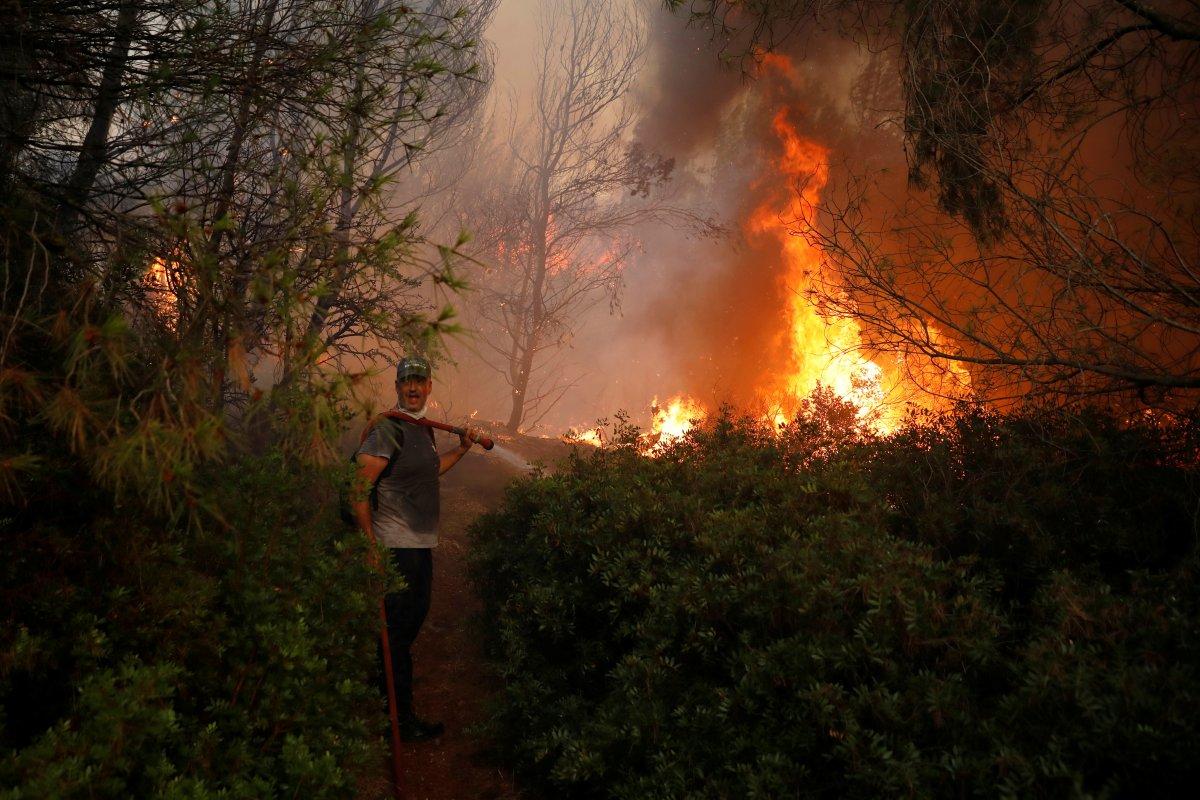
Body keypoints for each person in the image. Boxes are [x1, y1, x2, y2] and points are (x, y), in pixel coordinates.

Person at [351, 355, 477, 742]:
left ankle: (385, 703)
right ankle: (398, 721)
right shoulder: (387, 430)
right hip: (395, 546)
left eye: (419, 381)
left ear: (429, 387)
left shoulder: (421, 430)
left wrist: (462, 451)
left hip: (420, 546)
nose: (413, 387)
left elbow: (428, 471)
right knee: (397, 634)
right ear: (397, 386)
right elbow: (358, 488)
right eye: (406, 381)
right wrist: (371, 546)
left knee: (408, 625)